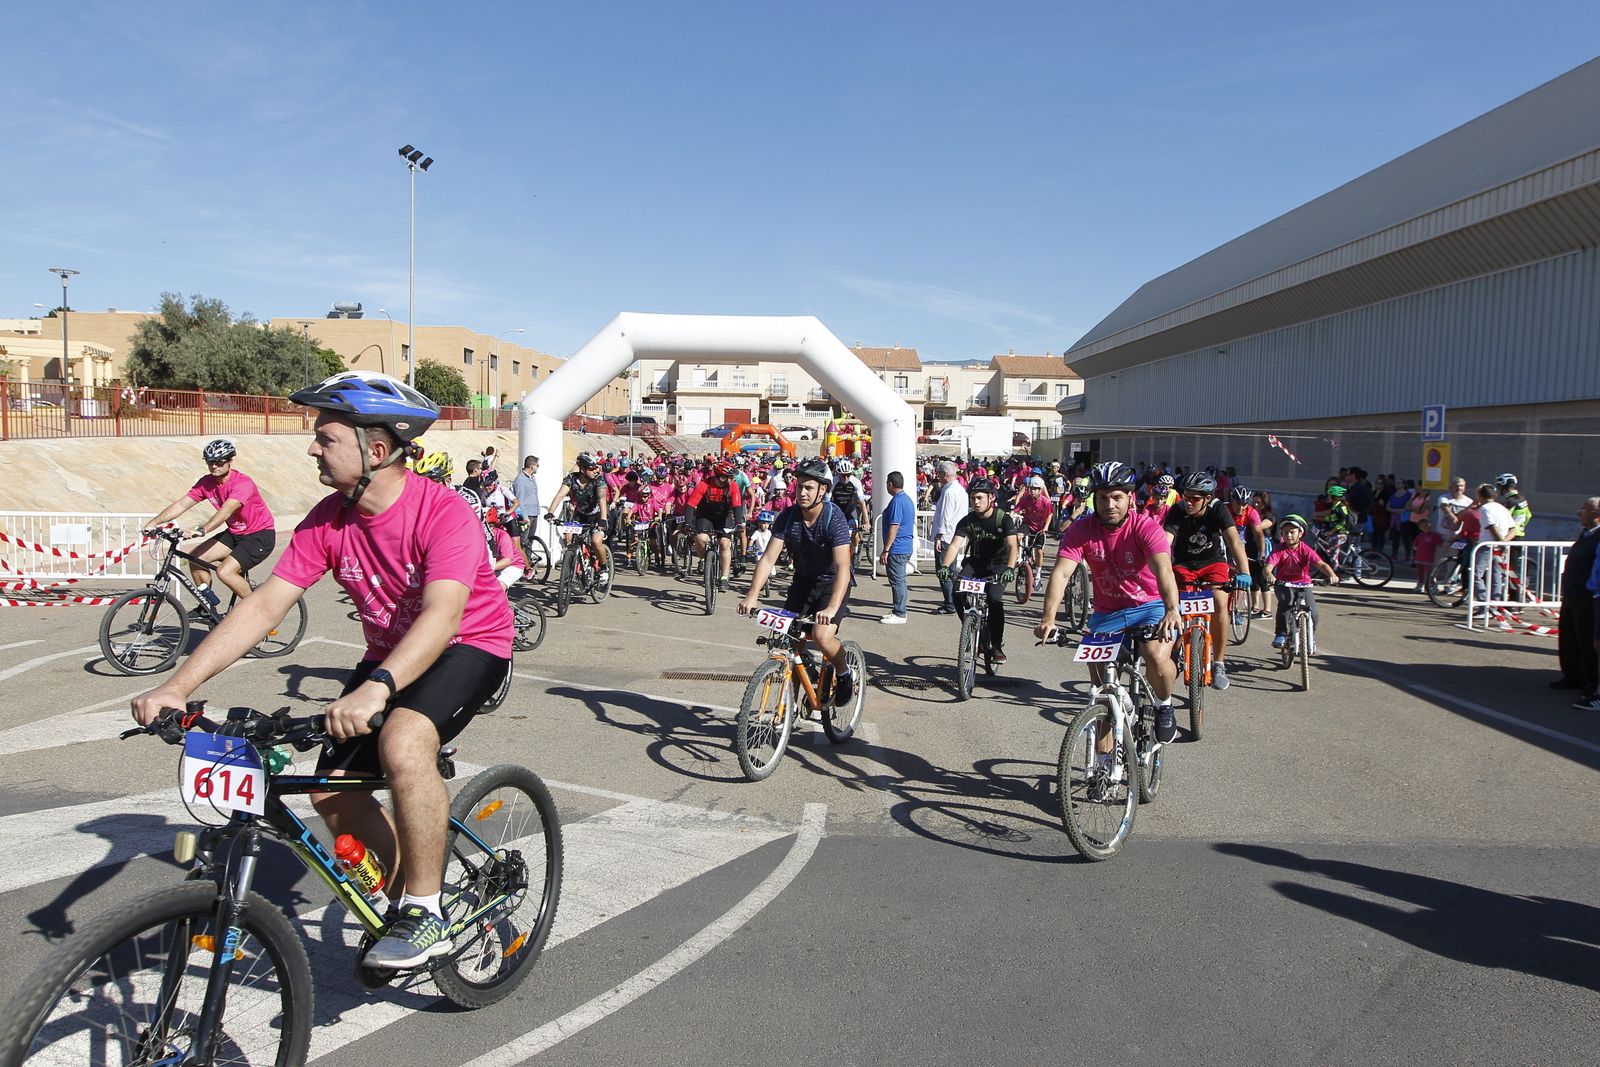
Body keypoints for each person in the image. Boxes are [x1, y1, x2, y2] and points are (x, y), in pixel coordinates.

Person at [131, 371, 512, 970]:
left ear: (376, 451)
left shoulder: (444, 512)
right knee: (333, 794)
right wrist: (178, 684)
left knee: (404, 738)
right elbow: (262, 604)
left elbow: (442, 615)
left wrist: (378, 689)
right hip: (391, 651)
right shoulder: (327, 518)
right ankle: (400, 902)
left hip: (469, 643)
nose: (312, 448)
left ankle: (426, 909)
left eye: (325, 438)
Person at [1034, 461, 1182, 744]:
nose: (1109, 504)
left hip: (1149, 607)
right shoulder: (1082, 529)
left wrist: (1172, 609)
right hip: (1107, 613)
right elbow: (1062, 572)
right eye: (1102, 497)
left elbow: (1164, 569)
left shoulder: (1145, 527)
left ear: (1130, 498)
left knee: (1154, 655)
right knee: (1100, 690)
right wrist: (1048, 618)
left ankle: (1164, 705)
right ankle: (1102, 770)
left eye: (1117, 497)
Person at [738, 458, 856, 704]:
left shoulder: (834, 518)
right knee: (788, 642)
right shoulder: (788, 517)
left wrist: (832, 608)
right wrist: (752, 595)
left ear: (823, 490)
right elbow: (768, 559)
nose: (802, 492)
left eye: (809, 487)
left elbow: (844, 566)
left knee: (822, 636)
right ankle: (788, 708)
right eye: (799, 486)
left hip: (832, 584)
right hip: (803, 582)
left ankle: (844, 673)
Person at [144, 438, 277, 617]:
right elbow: (182, 504)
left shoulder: (242, 483)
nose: (214, 466)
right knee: (196, 558)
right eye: (210, 462)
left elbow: (225, 511)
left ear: (230, 461)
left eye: (219, 462)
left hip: (259, 535)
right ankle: (207, 606)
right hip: (235, 533)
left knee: (225, 572)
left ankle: (260, 615)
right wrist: (154, 522)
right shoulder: (207, 483)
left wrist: (202, 530)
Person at [1164, 471, 1252, 691]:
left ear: (1207, 498)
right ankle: (1175, 651)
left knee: (1220, 603)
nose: (1189, 502)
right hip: (1184, 564)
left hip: (1213, 563)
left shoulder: (1218, 509)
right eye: (1186, 496)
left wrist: (1245, 572)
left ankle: (1219, 662)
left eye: (1195, 498)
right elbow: (1166, 542)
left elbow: (1234, 541)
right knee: (1176, 607)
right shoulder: (1177, 510)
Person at [937, 479, 1021, 664]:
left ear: (991, 498)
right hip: (976, 563)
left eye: (979, 498)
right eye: (972, 498)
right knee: (957, 591)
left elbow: (1013, 545)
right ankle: (971, 627)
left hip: (999, 565)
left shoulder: (1003, 519)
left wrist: (1010, 568)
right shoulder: (967, 521)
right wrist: (945, 566)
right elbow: (954, 545)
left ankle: (996, 646)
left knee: (994, 599)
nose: (975, 502)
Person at [1263, 514, 1339, 647]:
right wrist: (1270, 575)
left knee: (1314, 613)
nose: (1289, 535)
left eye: (1292, 532)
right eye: (1286, 532)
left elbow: (1320, 564)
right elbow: (1268, 566)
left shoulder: (1305, 549)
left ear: (1300, 533)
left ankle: (1310, 636)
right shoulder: (1279, 549)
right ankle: (1280, 634)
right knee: (1286, 604)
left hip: (1304, 583)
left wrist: (1332, 575)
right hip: (1283, 583)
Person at [1556, 498, 1600, 706]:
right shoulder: (1585, 534)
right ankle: (1572, 675)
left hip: (1588, 597)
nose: (1578, 512)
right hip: (1573, 594)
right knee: (1568, 636)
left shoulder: (1598, 536)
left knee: (1587, 641)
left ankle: (1590, 682)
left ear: (1595, 513)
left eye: (1584, 509)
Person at [544, 452, 611, 572]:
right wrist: (550, 512)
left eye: (596, 467)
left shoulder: (598, 480)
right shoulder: (571, 479)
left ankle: (604, 568)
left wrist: (603, 519)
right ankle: (574, 565)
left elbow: (602, 499)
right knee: (568, 538)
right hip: (580, 515)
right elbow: (560, 495)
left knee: (596, 542)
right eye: (591, 468)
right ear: (582, 469)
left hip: (597, 515)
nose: (595, 470)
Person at [686, 461, 744, 591]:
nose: (731, 479)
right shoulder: (704, 485)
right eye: (729, 477)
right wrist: (688, 523)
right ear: (721, 477)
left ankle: (724, 577)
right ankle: (702, 560)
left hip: (724, 517)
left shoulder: (733, 486)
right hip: (705, 516)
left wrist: (739, 523)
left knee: (724, 543)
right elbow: (690, 505)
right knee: (701, 538)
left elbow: (737, 506)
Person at [878, 470, 915, 624]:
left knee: (897, 581)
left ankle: (900, 613)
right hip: (904, 546)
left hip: (898, 547)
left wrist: (886, 549)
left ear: (890, 485)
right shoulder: (906, 499)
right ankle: (897, 609)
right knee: (899, 580)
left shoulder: (897, 502)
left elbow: (894, 526)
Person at [931, 461, 968, 614]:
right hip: (957, 536)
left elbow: (945, 516)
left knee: (944, 570)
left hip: (946, 537)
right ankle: (953, 601)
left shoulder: (949, 492)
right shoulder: (961, 490)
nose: (937, 476)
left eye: (939, 473)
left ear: (945, 474)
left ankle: (949, 603)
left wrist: (939, 535)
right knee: (952, 571)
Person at [1014, 475, 1056, 593]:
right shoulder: (1025, 498)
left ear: (1040, 490)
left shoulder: (1045, 501)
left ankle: (1037, 575)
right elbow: (1016, 509)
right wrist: (1011, 515)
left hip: (1040, 527)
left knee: (1039, 551)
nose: (1033, 491)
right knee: (1017, 536)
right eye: (1031, 488)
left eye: (1036, 489)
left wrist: (1046, 527)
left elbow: (1050, 515)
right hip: (1028, 524)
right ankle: (1018, 557)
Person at [512, 455, 541, 554]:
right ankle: (522, 565)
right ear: (532, 466)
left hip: (534, 513)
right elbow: (520, 500)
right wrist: (525, 517)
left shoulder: (532, 477)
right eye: (537, 465)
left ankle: (528, 565)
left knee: (530, 541)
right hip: (527, 515)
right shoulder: (520, 480)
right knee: (523, 542)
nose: (538, 467)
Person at [1411, 518, 1444, 592]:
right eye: (1422, 526)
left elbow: (1441, 543)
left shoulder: (1434, 535)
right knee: (1420, 573)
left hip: (1429, 558)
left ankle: (1433, 587)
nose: (1425, 527)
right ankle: (1420, 585)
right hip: (1419, 558)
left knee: (1430, 574)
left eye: (1426, 525)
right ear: (1420, 527)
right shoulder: (1420, 536)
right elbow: (1415, 546)